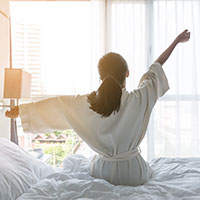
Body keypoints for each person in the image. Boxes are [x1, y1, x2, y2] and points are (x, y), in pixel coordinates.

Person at [5, 30, 190, 186]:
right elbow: (155, 68)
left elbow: (58, 104)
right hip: (134, 174)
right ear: (127, 73)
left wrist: (22, 110)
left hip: (104, 172)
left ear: (100, 77)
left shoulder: (88, 103)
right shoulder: (140, 98)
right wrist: (175, 41)